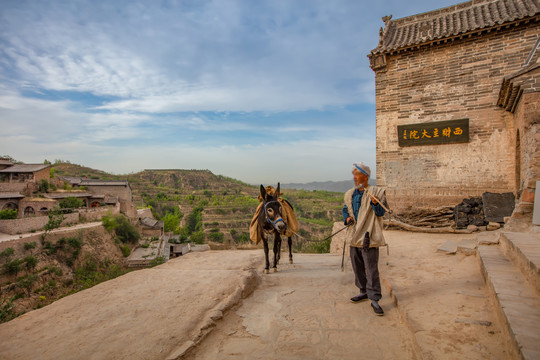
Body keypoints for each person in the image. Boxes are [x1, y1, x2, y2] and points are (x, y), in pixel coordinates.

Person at [343, 162, 387, 316]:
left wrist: (375, 203)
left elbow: (381, 213)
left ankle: (374, 299)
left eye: (357, 174)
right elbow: (345, 209)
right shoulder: (350, 194)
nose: (355, 178)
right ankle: (363, 291)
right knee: (357, 266)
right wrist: (347, 218)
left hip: (368, 235)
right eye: (354, 175)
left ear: (366, 176)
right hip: (354, 236)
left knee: (371, 268)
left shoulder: (377, 192)